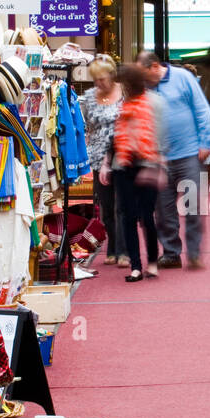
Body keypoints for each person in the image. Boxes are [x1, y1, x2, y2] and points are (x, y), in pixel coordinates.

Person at [137, 50, 210, 269]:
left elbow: (202, 109)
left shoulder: (183, 78)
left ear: (154, 66)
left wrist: (205, 142)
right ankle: (171, 252)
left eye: (146, 74)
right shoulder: (145, 87)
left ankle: (195, 253)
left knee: (193, 207)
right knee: (163, 209)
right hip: (159, 158)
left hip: (189, 154)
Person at [101, 64, 164, 283]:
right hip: (123, 165)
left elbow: (162, 134)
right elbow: (115, 136)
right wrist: (107, 163)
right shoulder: (122, 104)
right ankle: (136, 265)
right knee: (128, 217)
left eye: (125, 83)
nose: (123, 87)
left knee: (147, 217)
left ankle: (153, 261)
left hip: (147, 163)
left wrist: (159, 160)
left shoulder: (154, 102)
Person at [79, 55, 125, 264]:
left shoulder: (124, 92)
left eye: (103, 79)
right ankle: (112, 247)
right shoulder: (89, 97)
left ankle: (124, 249)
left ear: (112, 75)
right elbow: (87, 124)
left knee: (123, 204)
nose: (99, 83)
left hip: (123, 154)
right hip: (98, 157)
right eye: (95, 79)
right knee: (106, 206)